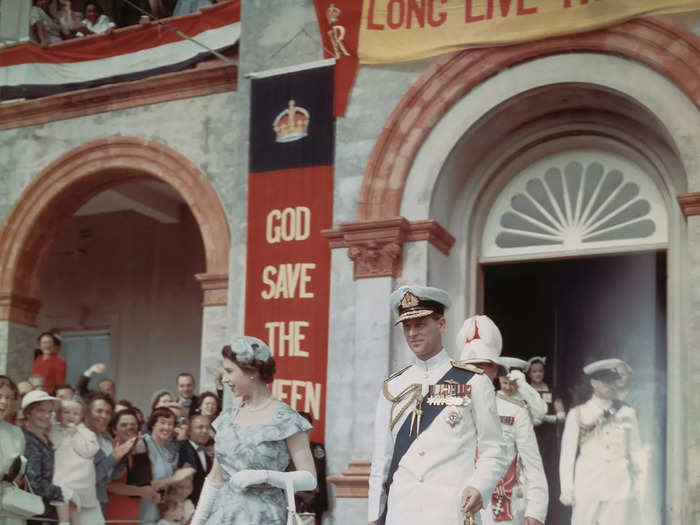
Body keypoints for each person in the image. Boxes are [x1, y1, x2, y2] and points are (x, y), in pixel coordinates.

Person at [368, 289, 506, 525]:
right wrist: (374, 517)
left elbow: (493, 449)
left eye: (420, 324)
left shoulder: (474, 380)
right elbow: (381, 461)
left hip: (451, 511)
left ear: (441, 324)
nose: (412, 333)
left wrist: (479, 486)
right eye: (407, 327)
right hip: (403, 513)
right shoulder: (393, 386)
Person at [190, 336, 317, 525]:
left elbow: (309, 479)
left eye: (230, 371)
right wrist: (197, 521)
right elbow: (214, 479)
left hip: (265, 517)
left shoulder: (287, 419)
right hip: (223, 517)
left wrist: (265, 476)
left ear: (251, 371)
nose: (224, 379)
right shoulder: (227, 419)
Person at [559, 359, 647, 525]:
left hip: (618, 484)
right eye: (606, 382)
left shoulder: (627, 412)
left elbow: (636, 450)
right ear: (594, 382)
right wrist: (566, 488)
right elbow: (567, 454)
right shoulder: (578, 413)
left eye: (613, 381)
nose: (611, 386)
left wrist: (641, 484)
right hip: (587, 483)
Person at [481, 358, 548, 525]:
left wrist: (524, 386)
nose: (508, 388)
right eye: (504, 383)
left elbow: (540, 412)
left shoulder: (522, 405)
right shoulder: (488, 401)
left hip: (513, 485)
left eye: (513, 383)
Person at [22, 390, 79, 525]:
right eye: (40, 411)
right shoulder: (28, 441)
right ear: (28, 413)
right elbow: (34, 482)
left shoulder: (48, 438)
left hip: (52, 513)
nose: (47, 415)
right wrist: (62, 493)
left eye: (49, 411)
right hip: (36, 515)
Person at [49, 395, 103, 525]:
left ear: (82, 415)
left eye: (76, 413)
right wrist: (64, 434)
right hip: (62, 475)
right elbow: (52, 446)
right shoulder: (54, 430)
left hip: (80, 478)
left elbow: (88, 452)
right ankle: (64, 522)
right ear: (59, 414)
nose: (71, 416)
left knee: (75, 505)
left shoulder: (86, 433)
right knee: (62, 498)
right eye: (66, 412)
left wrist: (75, 436)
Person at [526, 356, 566, 523]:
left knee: (548, 474)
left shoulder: (552, 390)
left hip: (548, 440)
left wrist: (548, 418)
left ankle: (550, 516)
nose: (537, 374)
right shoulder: (524, 390)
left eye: (540, 371)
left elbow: (562, 415)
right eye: (534, 371)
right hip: (529, 437)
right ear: (529, 373)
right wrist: (530, 419)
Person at [83, 392, 135, 516]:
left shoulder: (106, 438)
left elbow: (111, 476)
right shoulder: (81, 437)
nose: (104, 416)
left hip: (102, 501)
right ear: (88, 412)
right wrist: (115, 455)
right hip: (85, 503)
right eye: (99, 411)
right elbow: (90, 478)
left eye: (108, 412)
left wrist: (125, 455)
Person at [140, 407, 195, 524]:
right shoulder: (144, 444)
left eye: (170, 424)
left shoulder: (167, 451)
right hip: (144, 506)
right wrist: (174, 479)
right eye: (162, 423)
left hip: (162, 509)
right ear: (153, 424)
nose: (166, 427)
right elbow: (146, 483)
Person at [107, 408, 161, 525]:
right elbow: (107, 484)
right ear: (114, 430)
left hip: (136, 515)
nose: (129, 428)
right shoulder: (110, 449)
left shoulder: (141, 449)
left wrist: (152, 493)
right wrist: (140, 491)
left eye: (133, 424)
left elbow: (145, 482)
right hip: (113, 514)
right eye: (124, 425)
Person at [0, 375, 27, 525]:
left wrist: (17, 477)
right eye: (0, 396)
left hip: (10, 506)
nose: (4, 402)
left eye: (9, 398)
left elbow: (20, 470)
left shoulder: (16, 433)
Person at [177, 414, 213, 505]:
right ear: (189, 430)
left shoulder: (207, 453)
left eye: (207, 428)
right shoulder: (181, 448)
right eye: (200, 427)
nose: (205, 431)